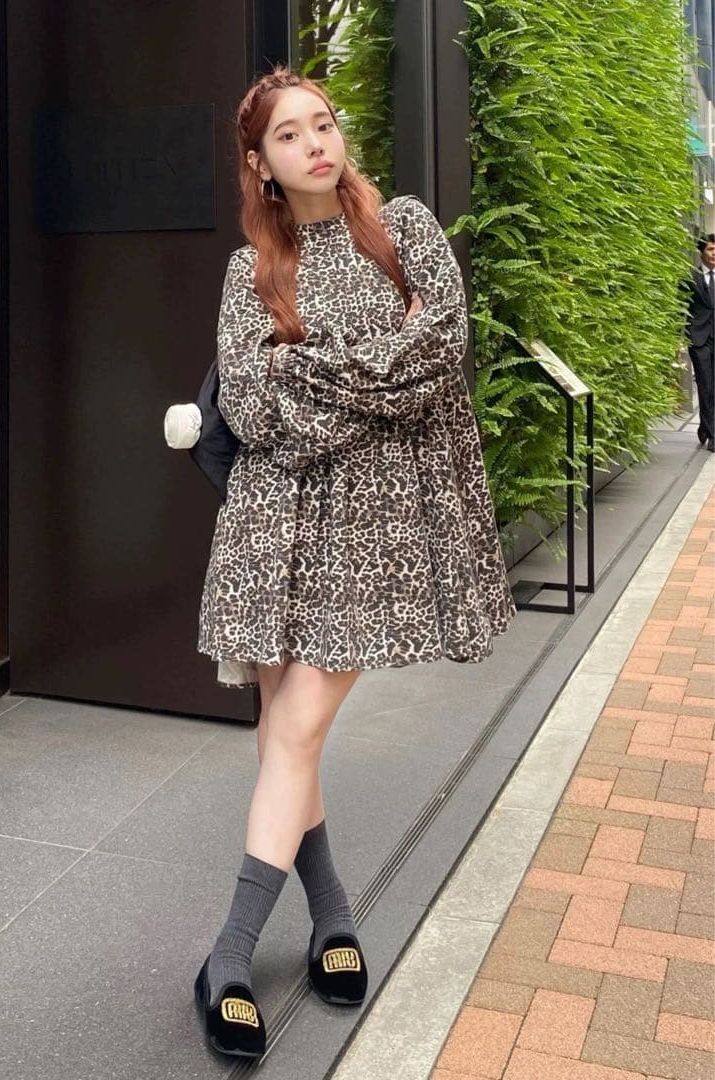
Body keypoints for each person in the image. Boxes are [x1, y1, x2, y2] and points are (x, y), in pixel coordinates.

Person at [193, 65, 515, 1060]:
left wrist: (305, 368)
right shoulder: (253, 270)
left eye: (322, 124)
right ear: (261, 163)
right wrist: (368, 373)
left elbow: (436, 358)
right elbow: (252, 407)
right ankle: (331, 914)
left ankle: (228, 955)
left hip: (374, 536)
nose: (315, 144)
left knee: (294, 729)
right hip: (275, 527)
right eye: (289, 135)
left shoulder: (404, 230)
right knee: (285, 733)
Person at [685, 234, 715, 452]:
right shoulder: (690, 277)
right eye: (711, 250)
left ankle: (705, 426)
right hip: (699, 340)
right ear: (701, 252)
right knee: (705, 386)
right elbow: (681, 308)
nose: (714, 254)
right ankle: (713, 435)